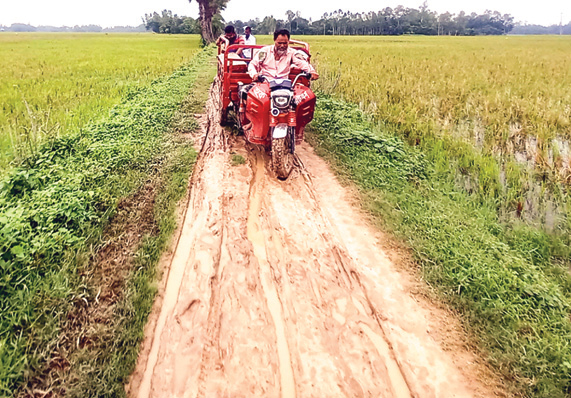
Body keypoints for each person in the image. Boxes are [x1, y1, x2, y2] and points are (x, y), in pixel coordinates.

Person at [248, 29, 319, 82]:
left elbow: (302, 63)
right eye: (279, 43)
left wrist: (312, 71)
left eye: (285, 43)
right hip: (265, 82)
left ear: (288, 41)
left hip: (284, 85)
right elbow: (252, 64)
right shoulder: (265, 51)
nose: (282, 46)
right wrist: (254, 75)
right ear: (274, 40)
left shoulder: (292, 53)